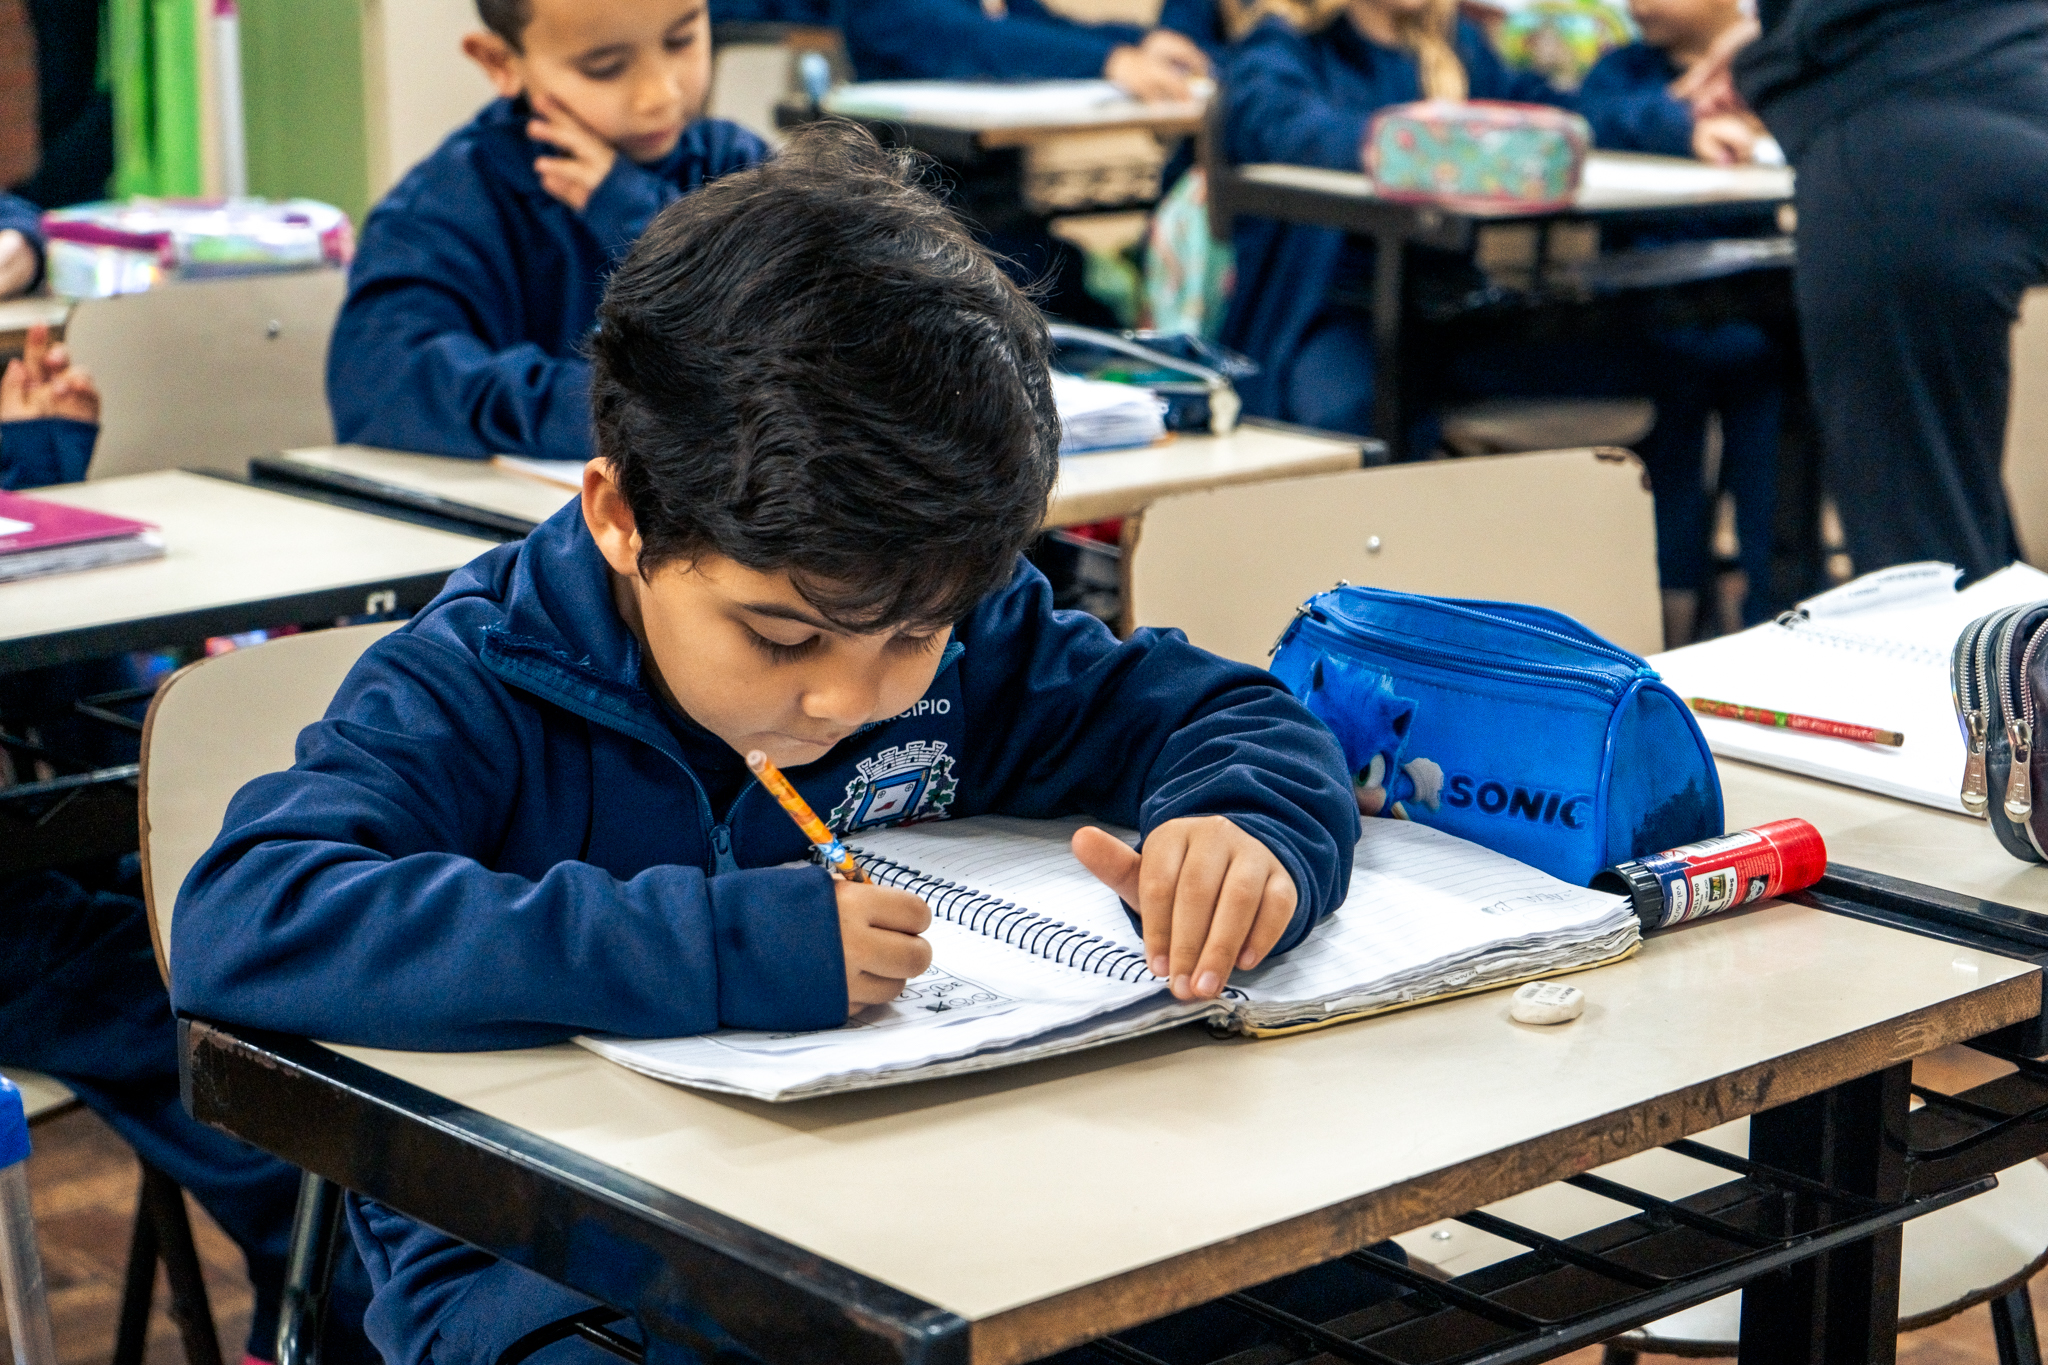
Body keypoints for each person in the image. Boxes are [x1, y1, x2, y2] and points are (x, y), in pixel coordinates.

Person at [173, 124, 1367, 1365]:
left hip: (920, 1218)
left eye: (914, 636)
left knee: (1323, 1299)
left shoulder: (958, 625)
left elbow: (1223, 711)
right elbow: (250, 915)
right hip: (560, 1270)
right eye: (780, 637)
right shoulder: (480, 678)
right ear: (622, 517)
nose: (847, 700)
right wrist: (721, 947)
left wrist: (1249, 827)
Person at [1676, 0, 2048, 579]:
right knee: (1959, 512)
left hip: (1901, 129)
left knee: (1930, 565)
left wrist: (1788, 32)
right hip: (2016, 66)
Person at [325, 0, 767, 462]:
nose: (660, 95)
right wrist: (626, 410)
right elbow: (381, 386)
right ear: (500, 62)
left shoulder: (736, 168)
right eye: (605, 67)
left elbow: (800, 336)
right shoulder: (444, 208)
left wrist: (640, 218)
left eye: (682, 39)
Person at [1217, 0, 1584, 439]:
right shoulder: (1285, 44)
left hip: (1447, 312)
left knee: (1667, 363)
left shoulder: (1457, 45)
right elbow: (1284, 128)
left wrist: (1676, 119)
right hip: (1327, 312)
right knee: (1354, 415)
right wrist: (1404, 146)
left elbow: (1552, 109)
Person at [1577, 0, 1786, 634]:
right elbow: (1589, 121)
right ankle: (1668, 622)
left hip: (1759, 321)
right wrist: (1678, 120)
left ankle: (1772, 609)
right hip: (1648, 323)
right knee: (1668, 456)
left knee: (1771, 451)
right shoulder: (1623, 73)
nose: (1639, 4)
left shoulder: (1770, 63)